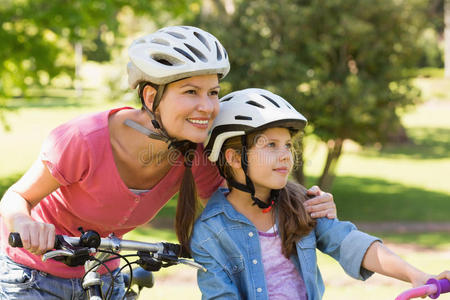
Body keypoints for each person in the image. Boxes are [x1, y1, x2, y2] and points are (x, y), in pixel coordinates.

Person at [0, 27, 335, 299]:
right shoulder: (82, 140)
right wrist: (24, 222)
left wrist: (306, 203)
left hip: (104, 277)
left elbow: (243, 203)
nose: (207, 106)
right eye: (191, 92)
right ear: (151, 97)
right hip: (32, 275)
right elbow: (15, 198)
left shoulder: (195, 153)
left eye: (213, 92)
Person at [191, 88, 445, 300]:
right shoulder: (210, 232)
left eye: (288, 145)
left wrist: (416, 275)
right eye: (270, 145)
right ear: (235, 157)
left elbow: (350, 243)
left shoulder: (301, 204)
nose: (285, 155)